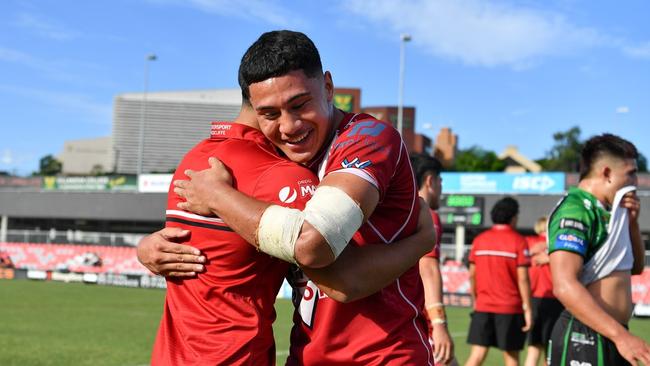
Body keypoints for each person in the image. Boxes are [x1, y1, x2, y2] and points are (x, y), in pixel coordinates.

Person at [172, 30, 434, 364]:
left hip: (384, 356)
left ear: (327, 87)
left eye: (300, 104)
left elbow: (317, 247)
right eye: (270, 114)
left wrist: (218, 196)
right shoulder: (278, 158)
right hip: (306, 354)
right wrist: (151, 247)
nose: (289, 126)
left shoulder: (368, 138)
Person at [547, 133, 650, 365]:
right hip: (584, 336)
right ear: (606, 173)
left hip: (610, 334)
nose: (635, 182)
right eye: (631, 173)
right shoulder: (575, 209)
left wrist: (632, 224)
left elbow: (635, 268)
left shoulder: (609, 211)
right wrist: (622, 337)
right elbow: (564, 286)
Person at [465, 197, 532, 366]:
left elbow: (472, 275)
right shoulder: (519, 241)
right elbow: (523, 278)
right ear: (513, 217)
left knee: (477, 356)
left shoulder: (479, 240)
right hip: (510, 308)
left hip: (483, 306)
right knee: (511, 358)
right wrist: (528, 308)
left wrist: (475, 299)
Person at [411, 153, 455, 365]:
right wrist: (439, 324)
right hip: (421, 319)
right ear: (430, 181)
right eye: (440, 182)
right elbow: (427, 268)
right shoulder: (426, 214)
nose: (441, 189)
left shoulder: (402, 212)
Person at [524, 217, 563, 366]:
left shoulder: (528, 243)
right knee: (550, 350)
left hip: (533, 298)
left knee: (533, 349)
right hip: (554, 298)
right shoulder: (558, 244)